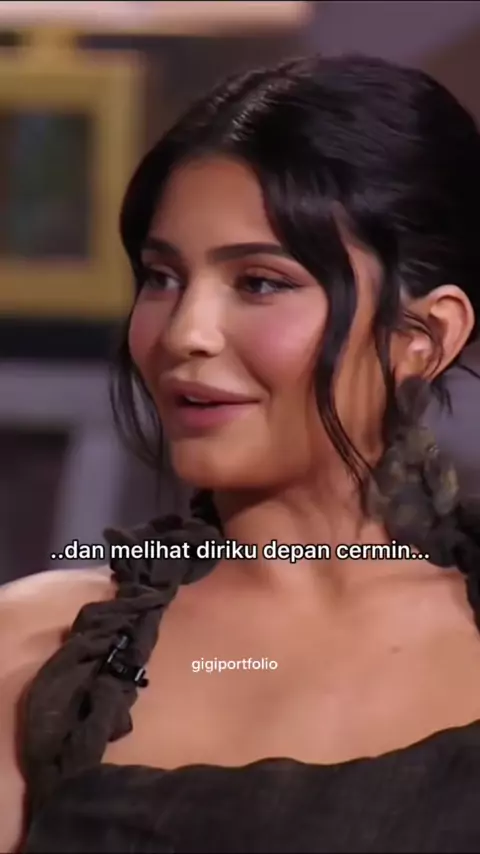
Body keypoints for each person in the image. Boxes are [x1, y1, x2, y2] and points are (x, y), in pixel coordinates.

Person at [3, 53, 480, 853]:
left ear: (423, 337)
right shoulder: (33, 654)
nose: (184, 333)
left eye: (259, 282)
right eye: (162, 277)